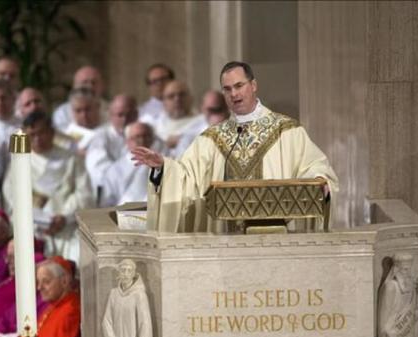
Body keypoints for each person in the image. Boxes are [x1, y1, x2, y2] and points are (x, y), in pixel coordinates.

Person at [131, 61, 340, 233]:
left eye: (239, 86)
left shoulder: (287, 130)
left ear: (253, 85)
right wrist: (162, 168)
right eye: (227, 89)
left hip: (280, 240)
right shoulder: (211, 138)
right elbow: (186, 178)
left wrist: (321, 181)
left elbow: (315, 166)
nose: (234, 94)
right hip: (226, 242)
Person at [2, 111, 94, 261]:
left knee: (81, 257)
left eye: (41, 133)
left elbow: (84, 195)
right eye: (32, 135)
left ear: (52, 132)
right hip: (33, 229)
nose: (37, 139)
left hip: (68, 228)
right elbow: (12, 198)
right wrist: (37, 219)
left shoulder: (71, 159)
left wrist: (64, 217)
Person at [85, 94, 138, 205]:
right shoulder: (100, 138)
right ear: (111, 116)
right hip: (110, 198)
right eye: (120, 115)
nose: (125, 120)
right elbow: (99, 172)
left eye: (129, 115)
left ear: (137, 114)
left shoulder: (145, 134)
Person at [102, 122, 156, 207]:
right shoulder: (114, 170)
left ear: (152, 139)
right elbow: (107, 200)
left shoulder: (163, 165)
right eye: (137, 137)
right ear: (127, 141)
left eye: (146, 136)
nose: (142, 141)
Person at [147, 80, 201, 154]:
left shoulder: (204, 122)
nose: (177, 99)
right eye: (171, 96)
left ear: (191, 98)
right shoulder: (153, 123)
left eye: (182, 94)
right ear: (164, 102)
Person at [171, 90, 228, 159]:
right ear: (202, 108)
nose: (215, 114)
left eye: (218, 109)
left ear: (226, 108)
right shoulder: (191, 134)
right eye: (211, 110)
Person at [52, 65, 108, 132]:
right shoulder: (62, 113)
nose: (89, 86)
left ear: (102, 85)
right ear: (74, 86)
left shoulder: (112, 110)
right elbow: (61, 139)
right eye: (84, 82)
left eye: (94, 82)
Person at [60, 87, 102, 153]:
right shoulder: (64, 137)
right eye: (78, 111)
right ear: (72, 111)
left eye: (87, 109)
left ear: (97, 107)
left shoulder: (111, 130)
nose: (84, 115)